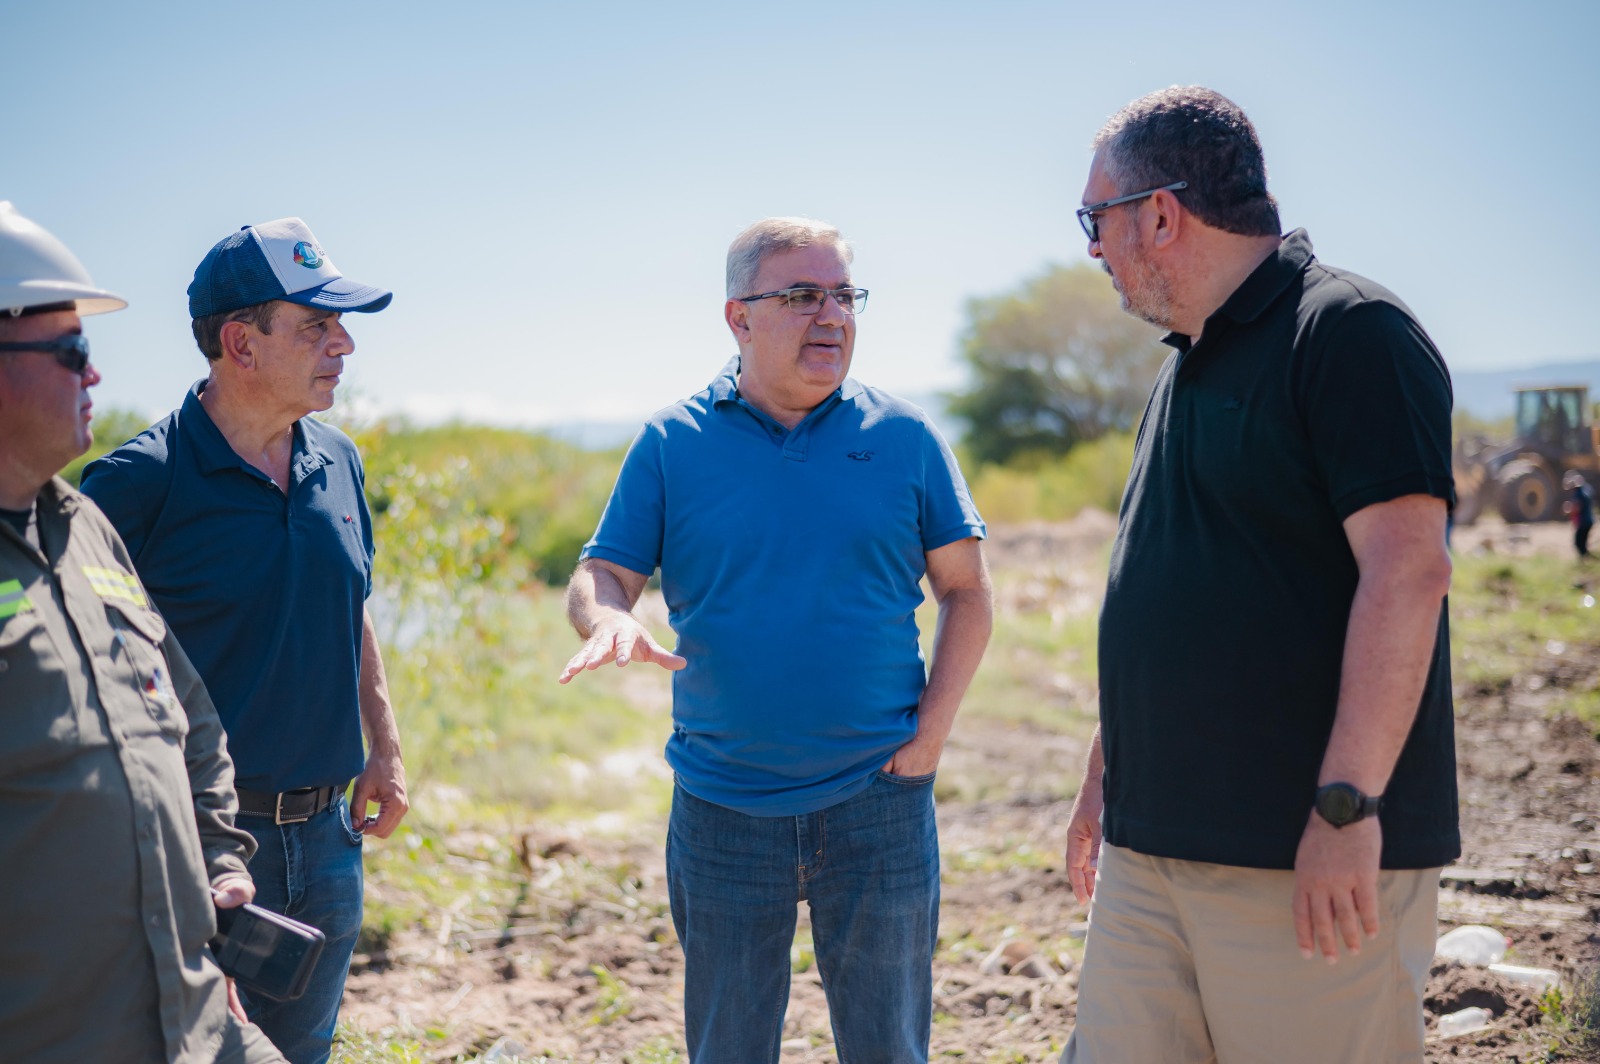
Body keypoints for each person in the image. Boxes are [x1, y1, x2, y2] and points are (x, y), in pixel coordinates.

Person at [1060, 88, 1458, 1064]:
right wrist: (1109, 766)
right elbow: (1183, 583)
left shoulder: (1349, 331)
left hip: (1300, 864)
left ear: (1159, 212)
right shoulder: (1185, 365)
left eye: (1095, 220)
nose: (1092, 249)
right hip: (1149, 854)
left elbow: (1408, 574)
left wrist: (1345, 806)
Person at [559, 217, 993, 1064]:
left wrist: (928, 743)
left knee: (890, 1049)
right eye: (801, 295)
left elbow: (968, 593)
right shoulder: (670, 443)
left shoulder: (904, 438)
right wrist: (609, 618)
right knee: (726, 1050)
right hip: (723, 807)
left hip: (879, 801)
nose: (831, 314)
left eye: (843, 295)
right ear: (738, 317)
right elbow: (601, 574)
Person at [80, 217, 409, 1064]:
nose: (344, 345)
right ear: (241, 342)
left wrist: (385, 743)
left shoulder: (337, 459)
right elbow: (87, 673)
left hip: (329, 839)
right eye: (316, 327)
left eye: (341, 327)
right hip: (199, 847)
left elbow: (352, 604)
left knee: (303, 1052)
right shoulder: (135, 483)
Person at [0, 201, 285, 1063]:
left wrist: (221, 858)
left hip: (193, 1017)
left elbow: (185, 718)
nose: (95, 375)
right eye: (72, 351)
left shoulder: (85, 526)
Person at [1564, 471, 1593, 559]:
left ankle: (1586, 561)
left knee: (1579, 543)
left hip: (1583, 521)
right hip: (1588, 521)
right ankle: (1587, 561)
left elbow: (1577, 507)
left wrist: (1568, 510)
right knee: (1582, 543)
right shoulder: (1585, 491)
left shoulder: (1578, 494)